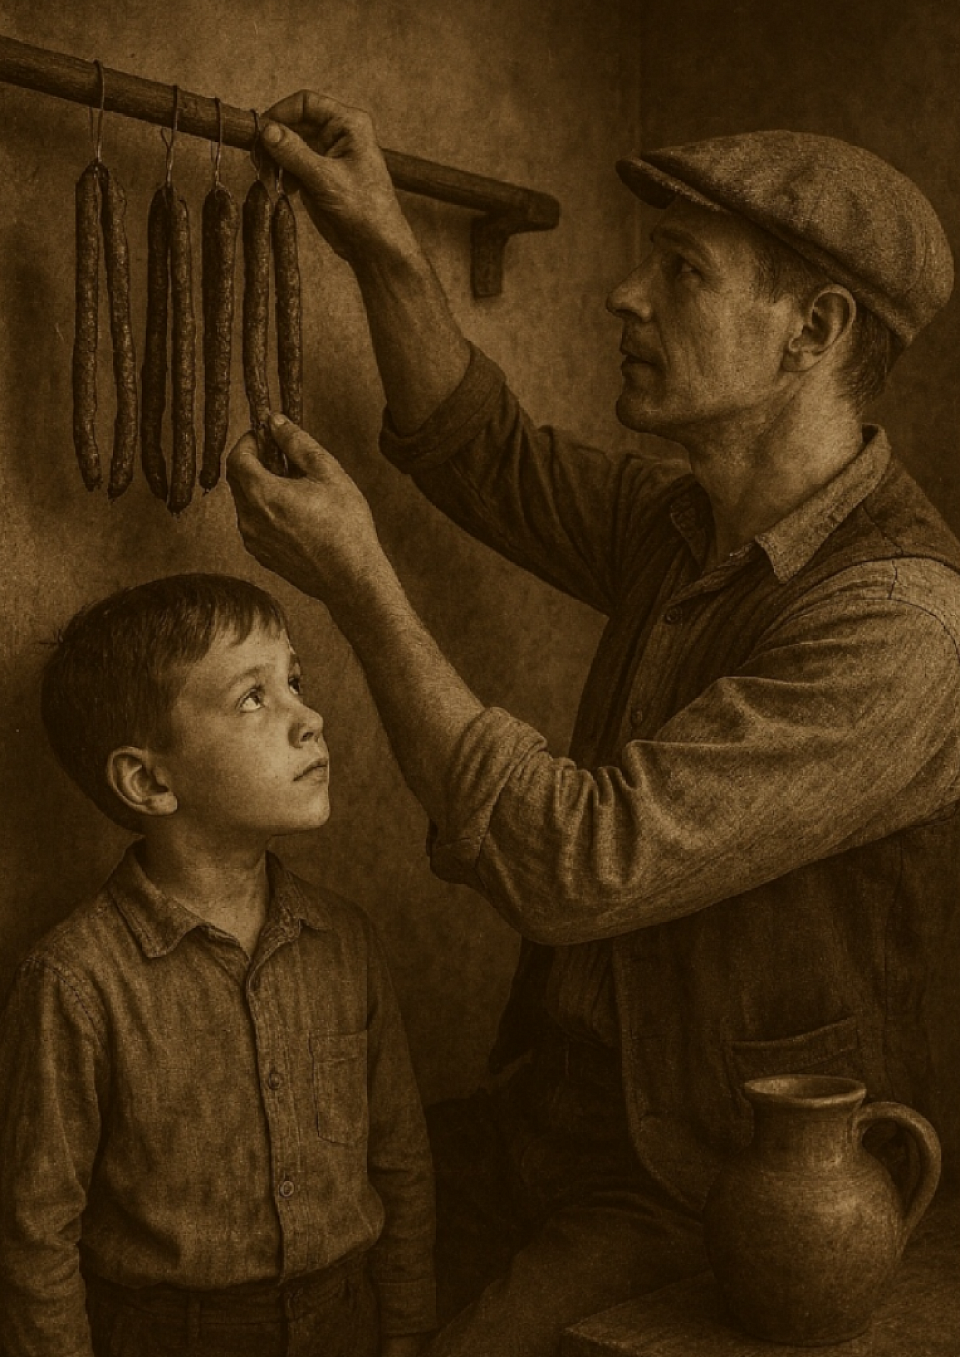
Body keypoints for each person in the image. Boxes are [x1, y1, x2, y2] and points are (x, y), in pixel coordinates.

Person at [227, 96, 960, 1357]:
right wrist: (382, 245)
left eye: (680, 271)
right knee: (255, 1253)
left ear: (816, 332)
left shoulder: (904, 627)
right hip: (550, 1119)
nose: (623, 296)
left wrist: (355, 581)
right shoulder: (691, 525)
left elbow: (580, 860)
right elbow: (482, 451)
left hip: (707, 1181)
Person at [0, 573, 435, 1357]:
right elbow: (36, 1236)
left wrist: (406, 1335)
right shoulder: (75, 981)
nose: (311, 717)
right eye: (253, 698)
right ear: (150, 780)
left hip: (347, 1327)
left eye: (295, 681)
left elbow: (400, 1166)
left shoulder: (346, 943)